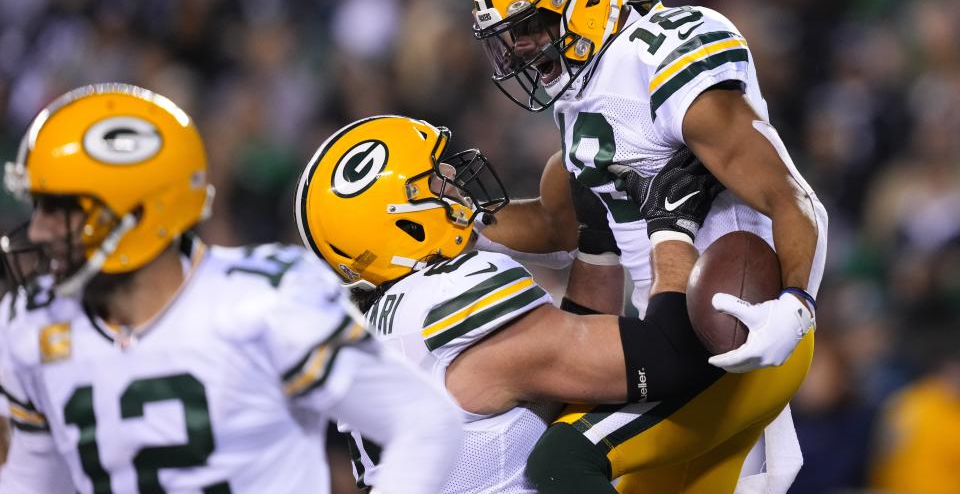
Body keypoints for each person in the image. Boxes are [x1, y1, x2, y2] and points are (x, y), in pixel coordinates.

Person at [471, 0, 828, 493]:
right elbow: (561, 226)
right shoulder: (581, 90)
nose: (519, 51)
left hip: (739, 331)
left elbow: (792, 198)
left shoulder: (662, 58)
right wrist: (458, 219)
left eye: (530, 27)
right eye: (509, 37)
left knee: (562, 461)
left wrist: (795, 308)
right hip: (673, 341)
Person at [294, 114, 810, 493]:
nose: (454, 183)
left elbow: (565, 365)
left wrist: (596, 238)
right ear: (400, 221)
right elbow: (664, 360)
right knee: (566, 461)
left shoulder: (386, 324)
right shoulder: (447, 302)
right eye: (433, 181)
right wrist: (671, 229)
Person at [0, 83, 463, 494]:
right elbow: (33, 480)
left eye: (59, 209)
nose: (38, 231)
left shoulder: (263, 299)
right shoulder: (28, 326)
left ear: (137, 215)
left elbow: (423, 421)